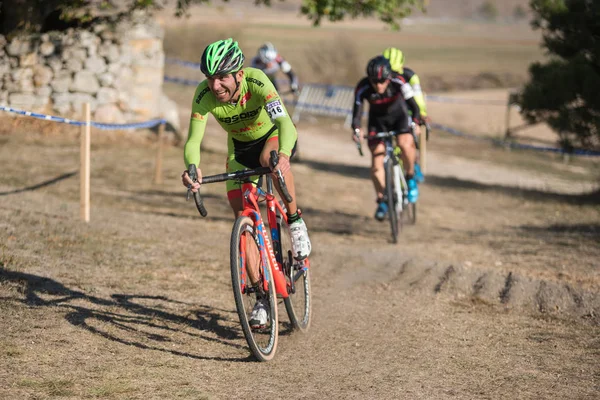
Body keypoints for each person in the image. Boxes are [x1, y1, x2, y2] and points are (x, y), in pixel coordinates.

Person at [181, 38, 311, 328]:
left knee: (271, 160)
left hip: (271, 139)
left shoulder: (258, 81)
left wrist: (286, 155)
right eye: (210, 79)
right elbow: (193, 140)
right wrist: (193, 168)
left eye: (222, 78)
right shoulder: (204, 96)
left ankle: (295, 221)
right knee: (243, 222)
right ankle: (262, 298)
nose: (215, 86)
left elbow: (285, 123)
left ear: (239, 74)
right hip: (238, 152)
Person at [351, 55, 422, 221]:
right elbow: (356, 112)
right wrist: (357, 129)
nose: (378, 85)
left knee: (405, 145)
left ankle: (410, 176)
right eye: (374, 81)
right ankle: (382, 199)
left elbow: (414, 106)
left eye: (382, 81)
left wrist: (416, 122)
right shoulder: (363, 87)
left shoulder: (399, 81)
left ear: (389, 78)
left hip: (400, 119)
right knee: (377, 164)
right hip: (377, 123)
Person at [383, 47, 429, 182]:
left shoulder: (410, 75)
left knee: (410, 139)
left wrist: (421, 113)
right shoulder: (383, 75)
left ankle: (413, 165)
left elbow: (418, 96)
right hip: (390, 113)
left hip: (408, 111)